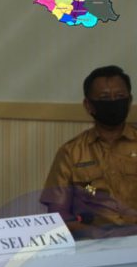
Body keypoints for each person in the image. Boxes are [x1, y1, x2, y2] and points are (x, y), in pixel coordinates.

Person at [40, 65, 137, 239]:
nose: (113, 102)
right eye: (104, 98)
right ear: (88, 105)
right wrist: (93, 234)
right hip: (92, 243)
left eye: (119, 97)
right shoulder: (71, 153)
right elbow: (57, 214)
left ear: (129, 101)